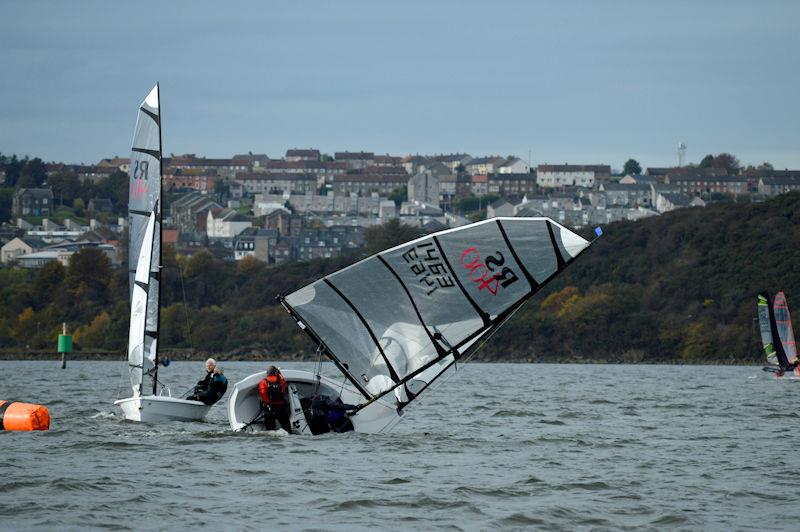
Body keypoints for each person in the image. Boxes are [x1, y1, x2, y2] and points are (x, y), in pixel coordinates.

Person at [258, 366, 290, 432]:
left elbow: (263, 393)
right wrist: (279, 373)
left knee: (270, 431)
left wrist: (267, 404)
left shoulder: (263, 382)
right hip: (281, 408)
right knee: (287, 429)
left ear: (267, 373)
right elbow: (283, 380)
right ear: (275, 373)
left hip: (270, 408)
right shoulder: (281, 380)